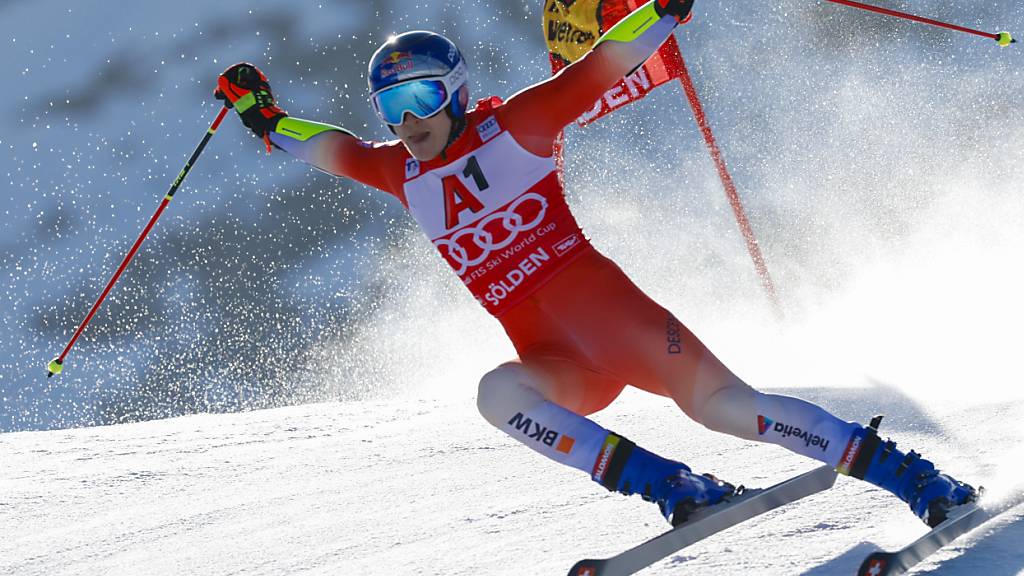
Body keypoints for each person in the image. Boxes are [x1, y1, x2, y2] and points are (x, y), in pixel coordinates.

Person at [214, 0, 975, 527]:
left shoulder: (518, 125)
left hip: (626, 329)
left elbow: (602, 66)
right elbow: (326, 148)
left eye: (418, 96)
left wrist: (663, 11)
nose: (406, 121)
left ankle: (911, 476)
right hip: (557, 361)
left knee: (728, 409)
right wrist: (264, 119)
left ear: (454, 93)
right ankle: (670, 485)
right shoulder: (399, 172)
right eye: (390, 106)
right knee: (496, 394)